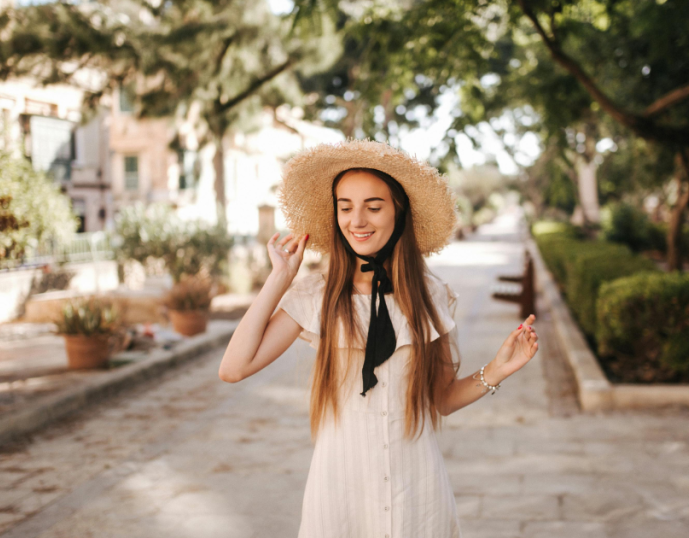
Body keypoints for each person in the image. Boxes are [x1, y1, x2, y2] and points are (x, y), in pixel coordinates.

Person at [219, 140, 539, 538]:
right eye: (345, 206)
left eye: (373, 206)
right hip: (339, 498)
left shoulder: (429, 295)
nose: (357, 220)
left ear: (398, 212)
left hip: (418, 495)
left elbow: (440, 399)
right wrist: (280, 277)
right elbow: (233, 368)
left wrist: (497, 369)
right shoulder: (316, 295)